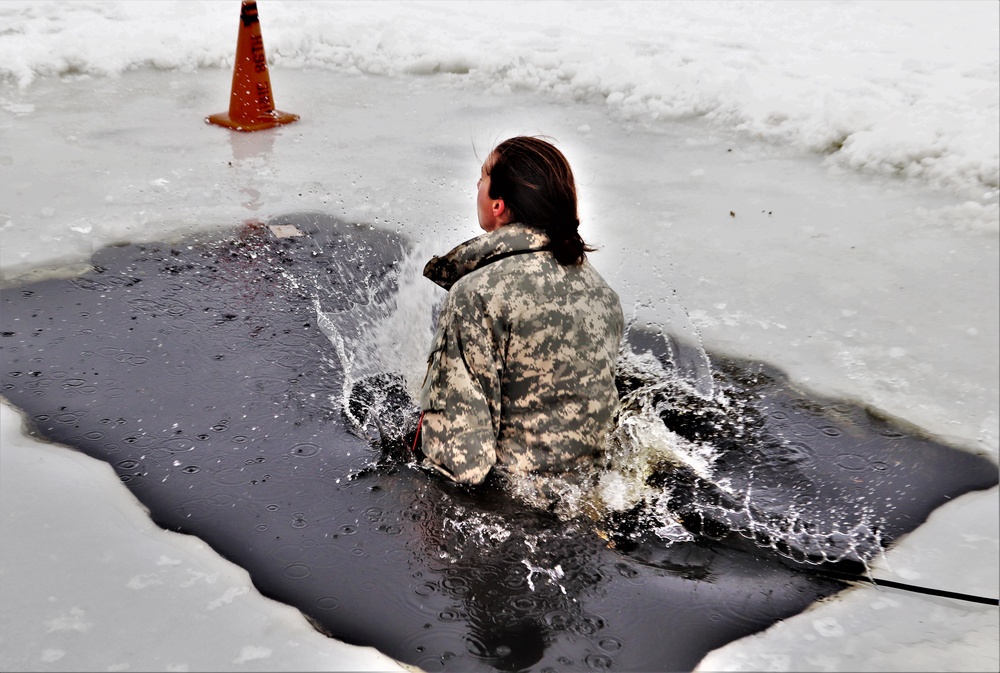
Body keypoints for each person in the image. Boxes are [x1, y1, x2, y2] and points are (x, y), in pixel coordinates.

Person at [417, 136, 624, 491]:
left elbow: (461, 462)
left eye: (482, 177)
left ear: (498, 205)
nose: (477, 185)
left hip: (514, 511)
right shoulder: (602, 293)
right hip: (595, 500)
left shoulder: (477, 294)